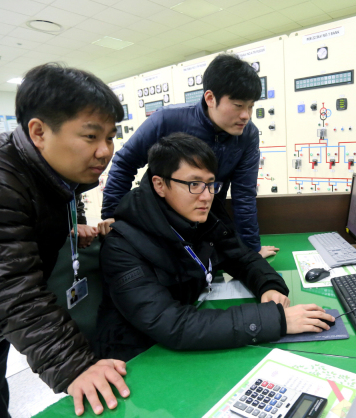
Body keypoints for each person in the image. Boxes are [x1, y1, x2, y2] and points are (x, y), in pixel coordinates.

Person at [0, 63, 129, 417]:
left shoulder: (57, 176)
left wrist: (73, 224)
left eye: (110, 136)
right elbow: (8, 288)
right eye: (91, 136)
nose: (105, 151)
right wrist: (74, 365)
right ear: (38, 131)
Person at [93, 133, 334, 361]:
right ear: (159, 185)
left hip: (183, 348)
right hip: (138, 359)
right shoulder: (122, 246)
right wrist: (276, 321)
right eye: (194, 184)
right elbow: (172, 324)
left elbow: (241, 257)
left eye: (210, 184)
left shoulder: (200, 218)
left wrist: (268, 285)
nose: (206, 196)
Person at [99, 53, 279, 258]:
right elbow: (125, 163)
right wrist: (112, 217)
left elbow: (244, 195)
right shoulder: (167, 120)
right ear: (210, 98)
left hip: (204, 220)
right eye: (238, 106)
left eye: (251, 106)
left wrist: (251, 249)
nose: (246, 115)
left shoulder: (248, 135)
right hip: (158, 222)